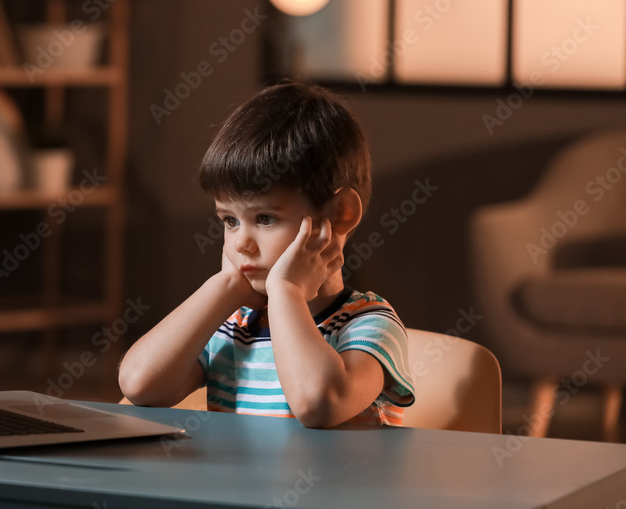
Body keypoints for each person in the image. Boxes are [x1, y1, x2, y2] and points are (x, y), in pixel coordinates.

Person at [118, 81, 414, 428]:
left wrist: (287, 290)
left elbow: (318, 403)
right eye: (229, 220)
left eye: (265, 218)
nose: (241, 242)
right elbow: (140, 386)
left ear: (340, 213)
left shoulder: (369, 325)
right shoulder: (236, 328)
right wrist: (225, 286)